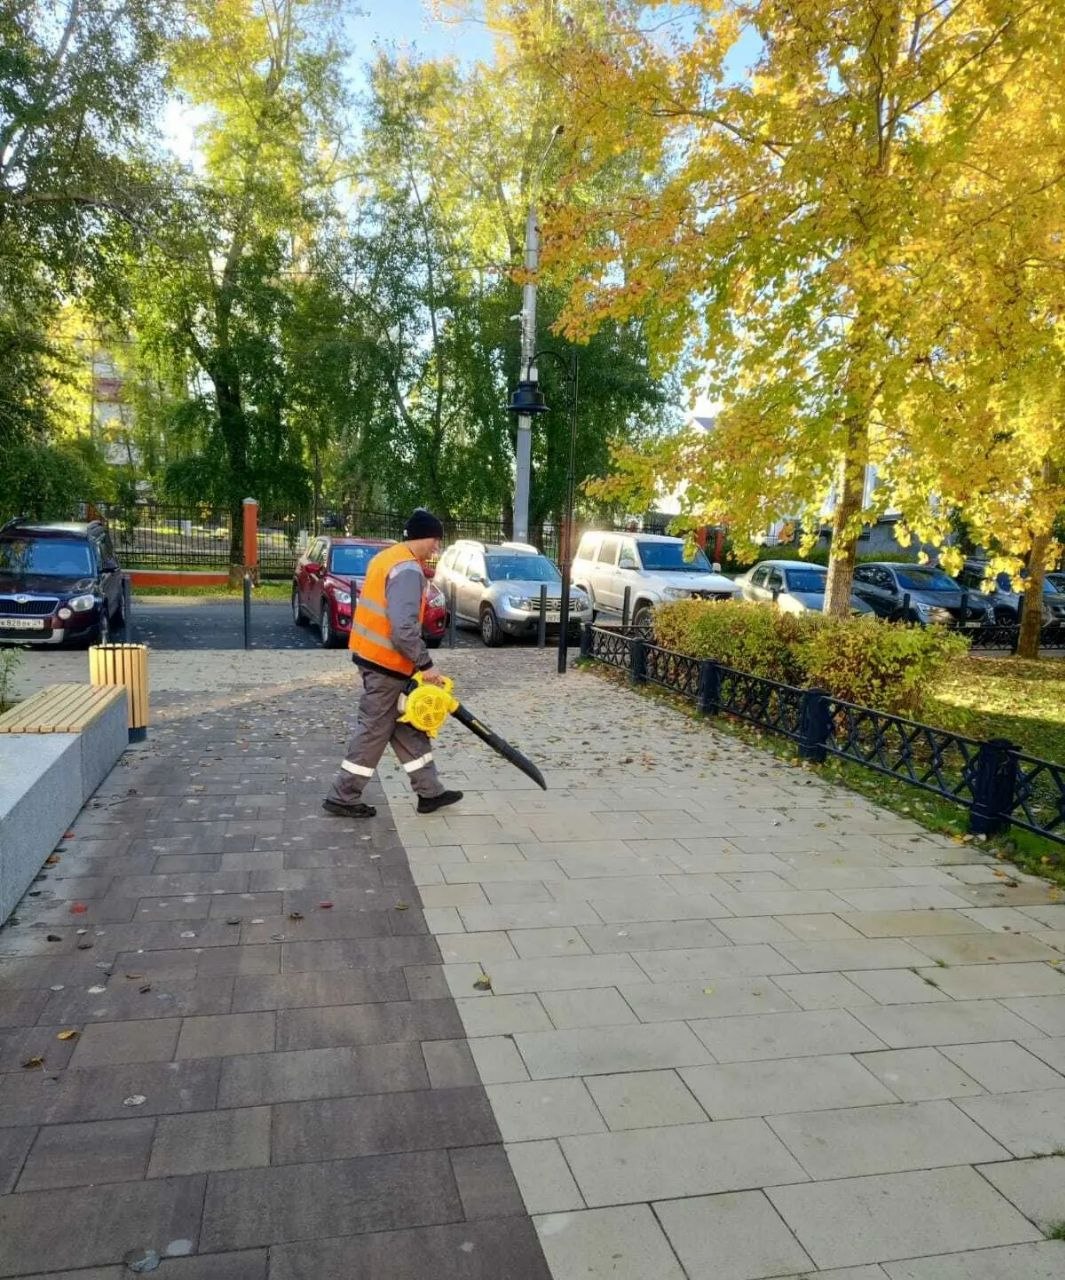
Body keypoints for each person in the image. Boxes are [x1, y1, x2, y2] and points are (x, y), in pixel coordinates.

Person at [323, 509, 463, 818]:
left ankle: (430, 793)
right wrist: (425, 665)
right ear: (422, 537)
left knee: (408, 727)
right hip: (386, 664)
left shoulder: (388, 559)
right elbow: (403, 628)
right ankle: (343, 795)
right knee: (374, 730)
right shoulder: (408, 570)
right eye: (435, 541)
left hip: (378, 658)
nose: (436, 549)